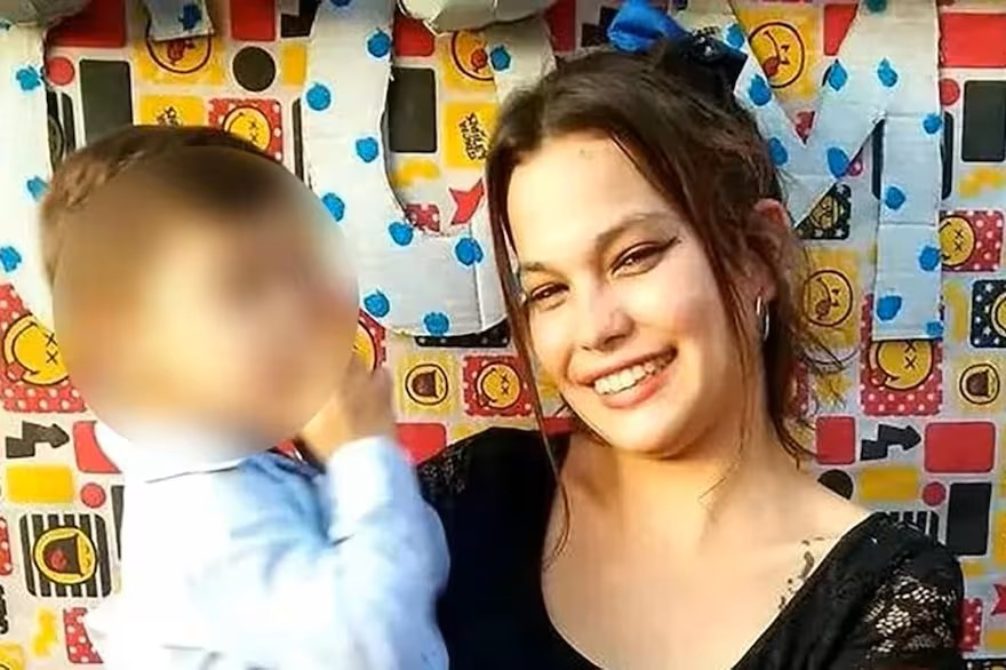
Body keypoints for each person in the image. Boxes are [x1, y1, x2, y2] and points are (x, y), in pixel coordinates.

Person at [418, 7, 963, 669]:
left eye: (635, 257)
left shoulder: (883, 596)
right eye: (549, 291)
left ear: (758, 254)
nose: (597, 328)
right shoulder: (465, 505)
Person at [42, 125, 448, 669]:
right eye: (242, 286)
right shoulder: (203, 515)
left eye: (302, 271)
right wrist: (364, 459)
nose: (295, 310)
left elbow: (424, 567)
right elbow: (374, 651)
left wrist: (341, 464)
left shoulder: (256, 473)